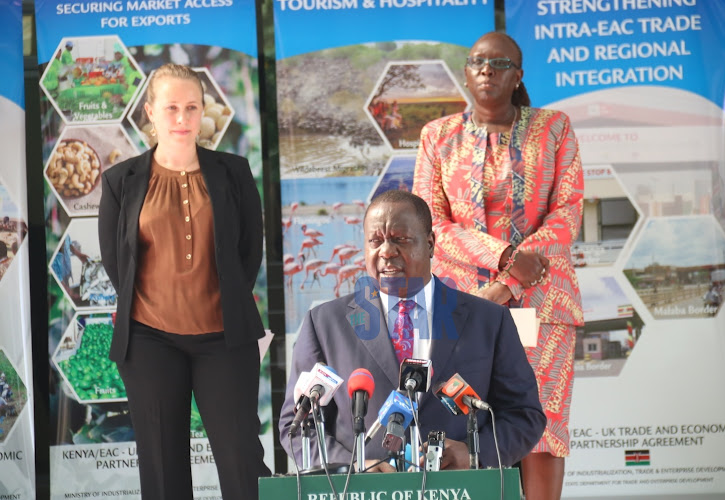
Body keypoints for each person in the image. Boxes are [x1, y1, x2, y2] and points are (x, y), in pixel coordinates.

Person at [412, 31, 584, 500]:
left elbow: (568, 212)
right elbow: (430, 224)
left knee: (541, 426)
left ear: (518, 75)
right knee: (459, 418)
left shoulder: (554, 129)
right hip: (463, 307)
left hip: (540, 307)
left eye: (500, 62)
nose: (487, 70)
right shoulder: (437, 136)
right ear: (466, 73)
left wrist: (508, 285)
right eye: (478, 62)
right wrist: (505, 257)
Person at [279, 190, 546, 471]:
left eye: (400, 239)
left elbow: (524, 415)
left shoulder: (490, 320)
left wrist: (473, 454)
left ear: (430, 244)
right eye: (375, 241)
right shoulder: (324, 324)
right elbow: (295, 425)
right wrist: (354, 466)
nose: (386, 251)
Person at [98, 63, 269, 500]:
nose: (182, 118)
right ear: (150, 113)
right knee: (162, 468)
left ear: (202, 112)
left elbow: (249, 251)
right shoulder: (121, 180)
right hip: (150, 341)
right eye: (171, 107)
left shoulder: (234, 172)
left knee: (241, 461)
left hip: (225, 340)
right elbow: (117, 262)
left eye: (192, 107)